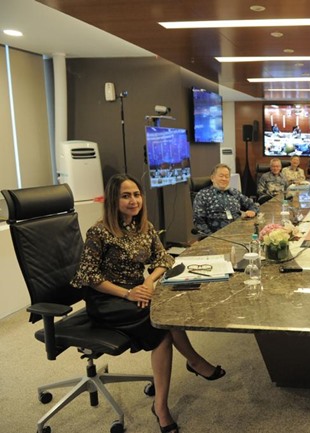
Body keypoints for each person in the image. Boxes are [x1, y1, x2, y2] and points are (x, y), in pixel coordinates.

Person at [71, 174, 225, 433]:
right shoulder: (99, 232)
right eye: (126, 196)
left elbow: (164, 258)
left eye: (136, 194)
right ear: (113, 200)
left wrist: (150, 281)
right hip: (107, 300)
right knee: (161, 327)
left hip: (138, 291)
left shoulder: (143, 227)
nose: (133, 201)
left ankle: (192, 366)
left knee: (168, 308)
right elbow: (89, 276)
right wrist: (128, 294)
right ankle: (166, 401)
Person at [193, 164, 259, 234]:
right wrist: (211, 236)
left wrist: (253, 211)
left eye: (227, 177)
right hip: (217, 235)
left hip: (239, 232)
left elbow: (253, 205)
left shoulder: (234, 192)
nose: (224, 179)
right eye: (221, 176)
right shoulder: (203, 194)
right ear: (212, 178)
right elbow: (198, 220)